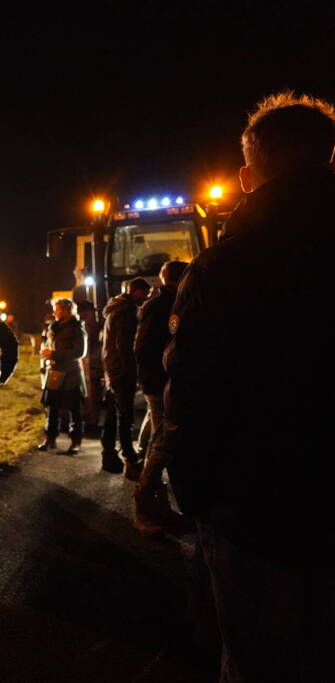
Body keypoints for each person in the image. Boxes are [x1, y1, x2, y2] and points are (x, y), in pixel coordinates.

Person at [164, 92, 335, 682]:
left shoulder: (226, 266)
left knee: (256, 661)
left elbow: (189, 393)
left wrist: (194, 495)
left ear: (247, 172)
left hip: (253, 511)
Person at [131, 260, 188, 537]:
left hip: (168, 384)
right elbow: (143, 349)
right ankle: (144, 507)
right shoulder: (162, 306)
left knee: (164, 442)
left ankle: (161, 508)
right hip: (163, 386)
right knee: (161, 443)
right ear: (179, 279)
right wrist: (158, 381)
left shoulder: (168, 303)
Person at [100, 277, 150, 476]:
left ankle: (108, 453)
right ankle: (129, 457)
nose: (146, 298)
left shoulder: (115, 308)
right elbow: (124, 345)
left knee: (114, 414)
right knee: (125, 415)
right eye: (145, 293)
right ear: (136, 291)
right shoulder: (127, 310)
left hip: (112, 368)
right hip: (121, 371)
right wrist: (132, 371)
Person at [38, 299, 87, 454]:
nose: (55, 312)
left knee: (74, 409)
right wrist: (45, 353)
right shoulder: (53, 327)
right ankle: (50, 438)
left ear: (67, 310)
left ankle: (75, 441)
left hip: (70, 374)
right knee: (51, 408)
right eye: (55, 309)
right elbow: (47, 346)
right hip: (54, 372)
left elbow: (79, 352)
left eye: (58, 309)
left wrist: (55, 354)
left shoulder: (77, 329)